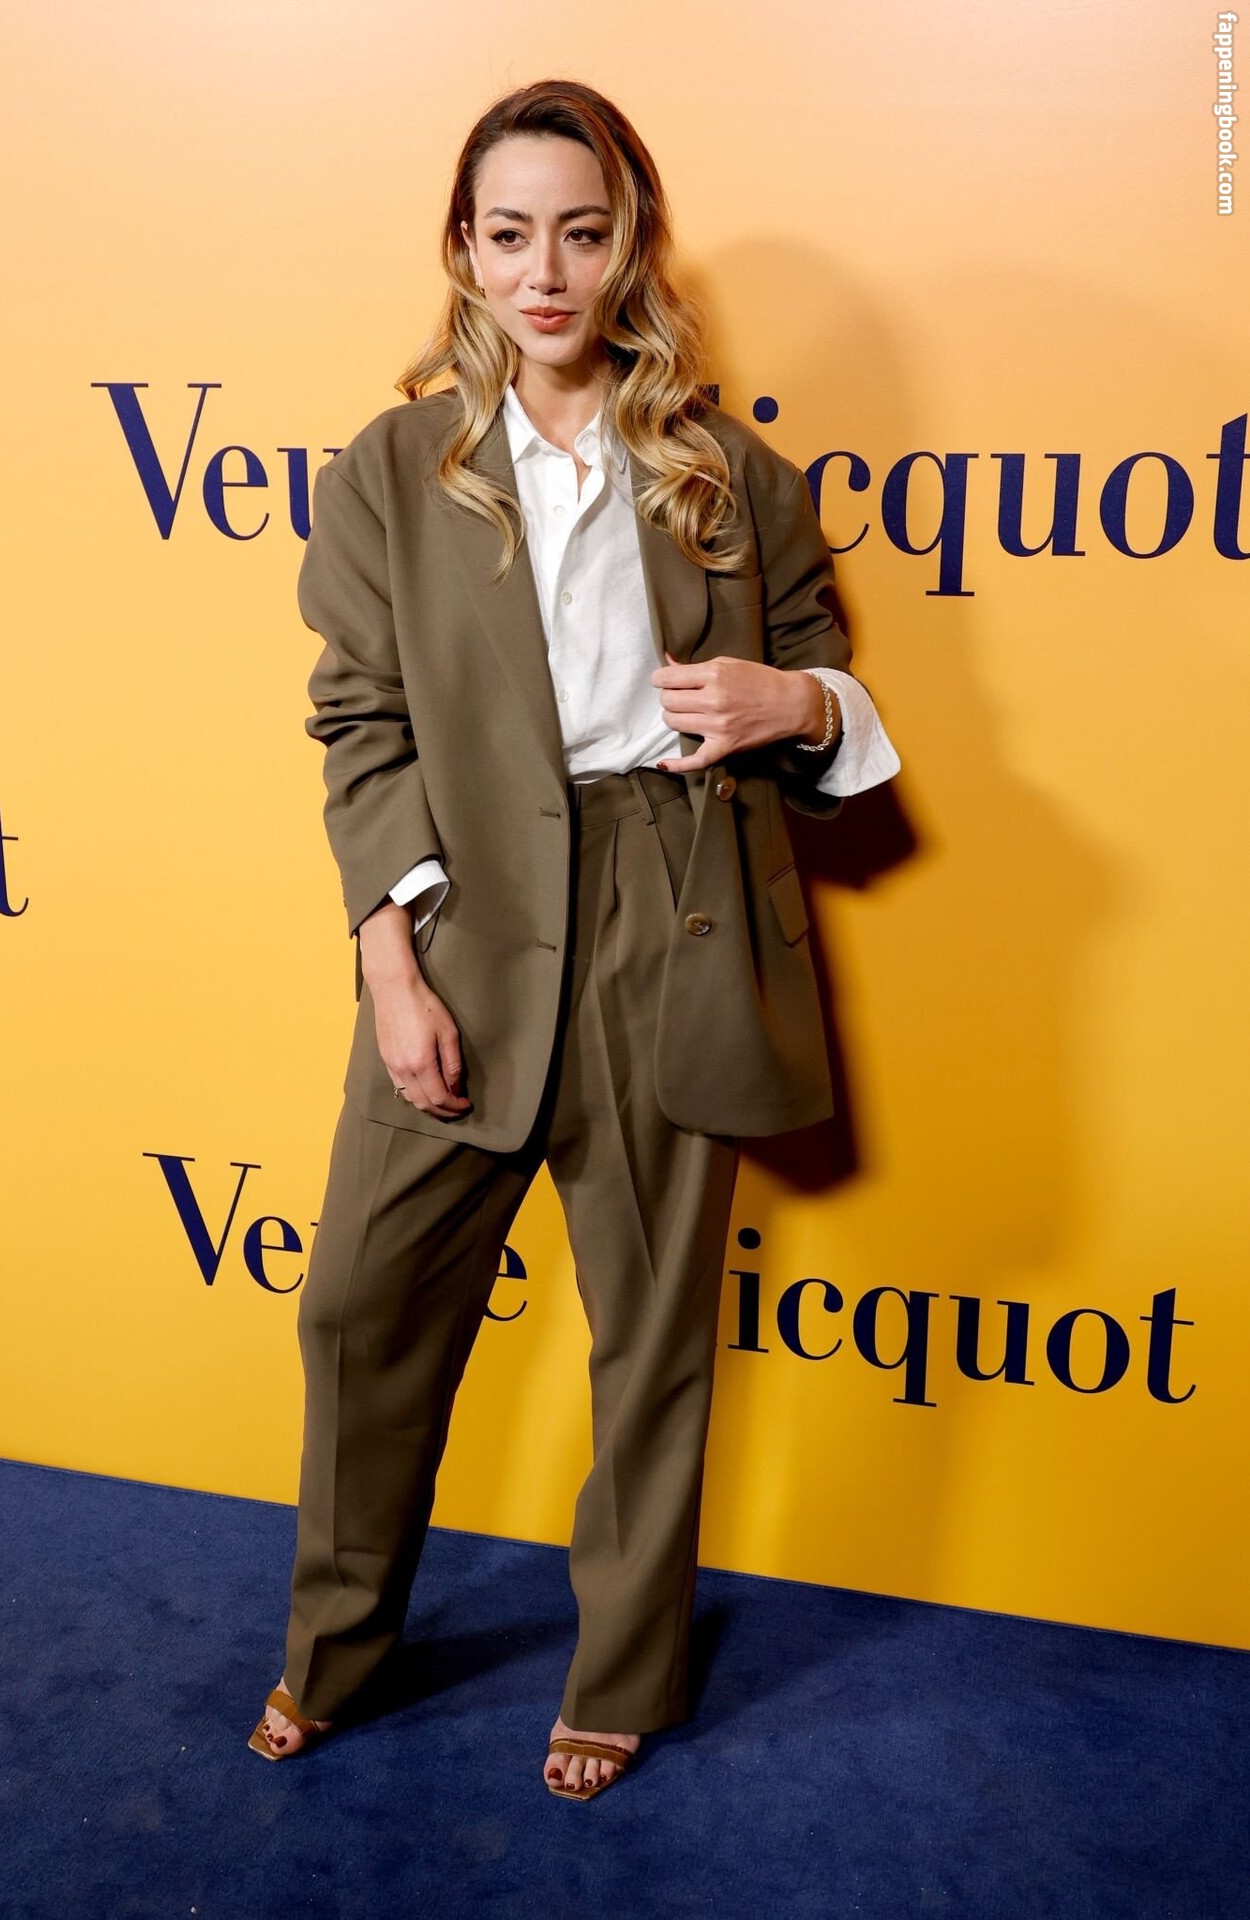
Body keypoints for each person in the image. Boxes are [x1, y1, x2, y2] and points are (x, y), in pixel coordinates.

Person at [249, 77, 900, 1799]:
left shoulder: (730, 477)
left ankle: (621, 1675)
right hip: (463, 911)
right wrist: (392, 961)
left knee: (651, 1341)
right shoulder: (392, 472)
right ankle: (335, 1650)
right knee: (360, 1307)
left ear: (631, 249)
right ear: (462, 251)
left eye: (582, 231)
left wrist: (797, 702)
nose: (545, 271)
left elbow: (831, 694)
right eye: (510, 232)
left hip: (672, 909)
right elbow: (360, 724)